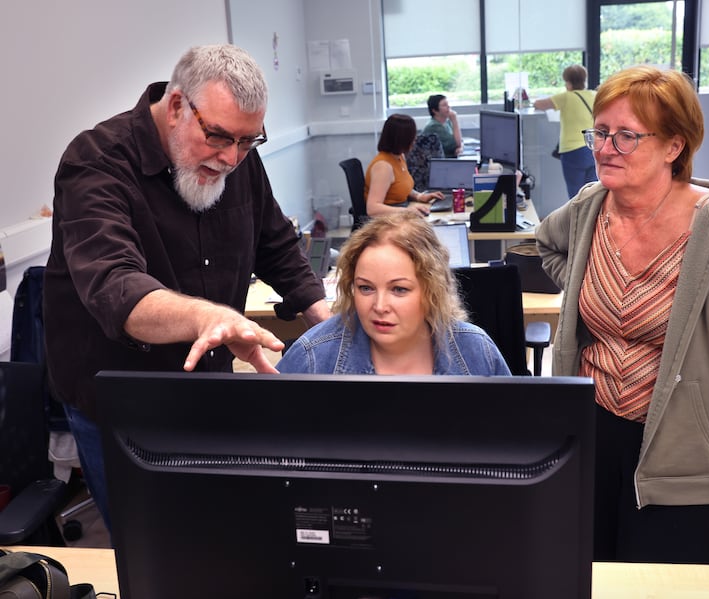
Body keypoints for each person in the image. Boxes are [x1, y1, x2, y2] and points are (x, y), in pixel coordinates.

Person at [43, 44, 331, 532]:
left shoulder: (237, 156)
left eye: (248, 141)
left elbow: (275, 243)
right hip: (123, 403)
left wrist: (330, 319)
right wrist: (207, 317)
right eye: (218, 137)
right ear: (177, 106)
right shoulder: (96, 162)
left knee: (217, 534)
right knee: (151, 546)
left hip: (208, 387)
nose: (230, 158)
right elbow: (116, 284)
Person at [535, 64, 709, 587]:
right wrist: (581, 290)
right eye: (601, 132)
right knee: (584, 585)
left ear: (674, 147)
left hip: (683, 460)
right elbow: (541, 244)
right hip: (589, 442)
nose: (606, 147)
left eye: (627, 136)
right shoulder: (590, 207)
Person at [277, 211, 511, 376]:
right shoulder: (314, 357)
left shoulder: (475, 350)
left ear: (432, 290)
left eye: (399, 289)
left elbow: (514, 438)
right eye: (365, 288)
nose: (379, 306)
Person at [533, 64, 598, 198]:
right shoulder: (595, 95)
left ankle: (577, 219)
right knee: (593, 193)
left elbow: (538, 104)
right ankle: (592, 218)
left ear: (568, 83)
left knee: (575, 194)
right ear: (584, 80)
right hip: (594, 148)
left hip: (573, 151)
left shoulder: (566, 97)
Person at [363, 114, 443, 217]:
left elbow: (400, 186)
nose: (414, 140)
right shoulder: (383, 167)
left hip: (399, 213)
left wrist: (419, 196)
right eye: (412, 137)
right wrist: (407, 210)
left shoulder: (399, 157)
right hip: (386, 221)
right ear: (402, 139)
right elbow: (372, 209)